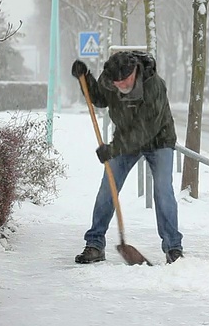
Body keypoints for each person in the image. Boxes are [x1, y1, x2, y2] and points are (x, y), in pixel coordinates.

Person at [70, 51, 184, 264]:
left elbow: (144, 131)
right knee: (108, 188)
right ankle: (95, 243)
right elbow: (99, 98)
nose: (121, 85)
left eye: (125, 81)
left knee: (162, 190)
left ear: (135, 71)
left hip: (158, 140)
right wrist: (85, 78)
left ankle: (173, 248)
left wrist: (112, 149)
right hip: (124, 139)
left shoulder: (153, 85)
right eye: (116, 82)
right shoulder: (110, 80)